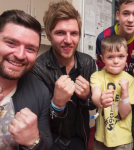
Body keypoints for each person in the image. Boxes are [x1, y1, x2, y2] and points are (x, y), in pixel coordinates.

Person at [31, 1, 96, 150]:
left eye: (74, 33)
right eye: (60, 33)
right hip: (52, 141)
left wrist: (87, 96)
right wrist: (57, 105)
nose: (68, 40)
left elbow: (93, 104)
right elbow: (38, 119)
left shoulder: (88, 63)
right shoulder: (38, 69)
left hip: (81, 137)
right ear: (48, 35)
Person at [0, 10, 52, 150]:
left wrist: (34, 141)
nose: (20, 55)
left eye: (30, 49)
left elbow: (47, 143)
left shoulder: (41, 92)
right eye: (11, 43)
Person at [90, 35, 134, 150]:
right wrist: (100, 100)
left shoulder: (130, 80)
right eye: (110, 57)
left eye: (121, 56)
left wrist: (125, 92)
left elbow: (124, 114)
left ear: (126, 57)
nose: (116, 61)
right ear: (102, 58)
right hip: (101, 138)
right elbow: (95, 96)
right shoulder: (97, 76)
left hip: (123, 140)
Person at [96, 0, 134, 80]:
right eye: (126, 13)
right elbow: (103, 72)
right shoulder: (103, 38)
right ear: (117, 15)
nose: (130, 20)